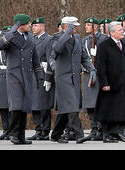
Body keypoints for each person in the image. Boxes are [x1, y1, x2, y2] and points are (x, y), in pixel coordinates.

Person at [48, 16, 95, 144]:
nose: (77, 28)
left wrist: (92, 69)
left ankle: (56, 134)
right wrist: (66, 33)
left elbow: (84, 56)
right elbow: (57, 49)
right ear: (67, 26)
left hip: (75, 76)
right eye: (74, 26)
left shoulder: (78, 38)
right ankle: (79, 134)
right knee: (72, 104)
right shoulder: (57, 37)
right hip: (63, 76)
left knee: (66, 106)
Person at [0, 14, 44, 145]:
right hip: (14, 75)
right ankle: (13, 134)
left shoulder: (29, 37)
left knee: (24, 106)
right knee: (16, 105)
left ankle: (21, 136)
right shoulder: (9, 35)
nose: (30, 25)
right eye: (28, 23)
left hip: (27, 76)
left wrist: (39, 74)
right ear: (20, 25)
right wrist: (12, 31)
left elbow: (35, 57)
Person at [93, 21, 125, 143]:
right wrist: (104, 83)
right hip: (109, 83)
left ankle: (116, 132)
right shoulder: (104, 46)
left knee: (120, 109)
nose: (122, 31)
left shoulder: (124, 46)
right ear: (112, 32)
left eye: (122, 29)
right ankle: (106, 134)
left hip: (122, 83)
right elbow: (101, 66)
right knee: (108, 109)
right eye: (119, 30)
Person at [27, 17, 53, 141]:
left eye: (36, 26)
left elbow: (50, 59)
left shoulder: (48, 40)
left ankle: (45, 130)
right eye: (32, 26)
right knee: (34, 105)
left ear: (42, 26)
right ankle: (38, 129)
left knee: (43, 105)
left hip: (42, 75)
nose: (33, 28)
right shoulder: (31, 39)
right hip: (32, 75)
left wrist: (48, 78)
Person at [0, 26, 12, 141]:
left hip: (12, 74)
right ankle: (6, 130)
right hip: (0, 76)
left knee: (13, 106)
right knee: (2, 106)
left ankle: (13, 130)